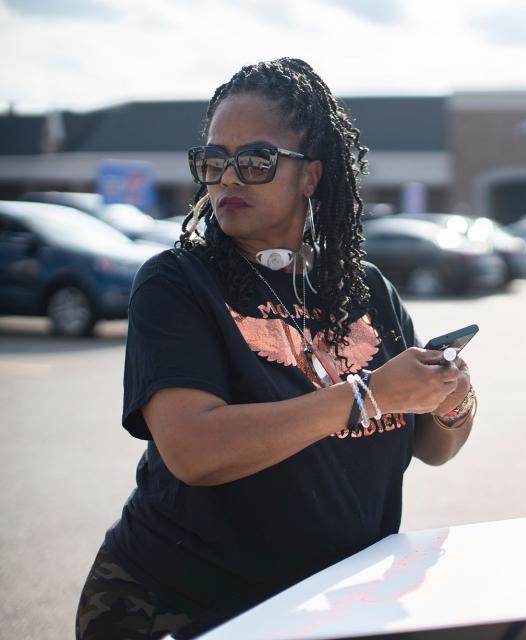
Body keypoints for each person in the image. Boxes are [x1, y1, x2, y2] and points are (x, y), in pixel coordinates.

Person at [75, 58, 477, 639]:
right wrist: (364, 395)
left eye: (255, 161)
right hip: (179, 604)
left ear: (310, 176)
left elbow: (433, 447)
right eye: (214, 162)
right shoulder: (177, 283)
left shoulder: (364, 289)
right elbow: (194, 450)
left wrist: (450, 397)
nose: (229, 179)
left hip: (333, 601)